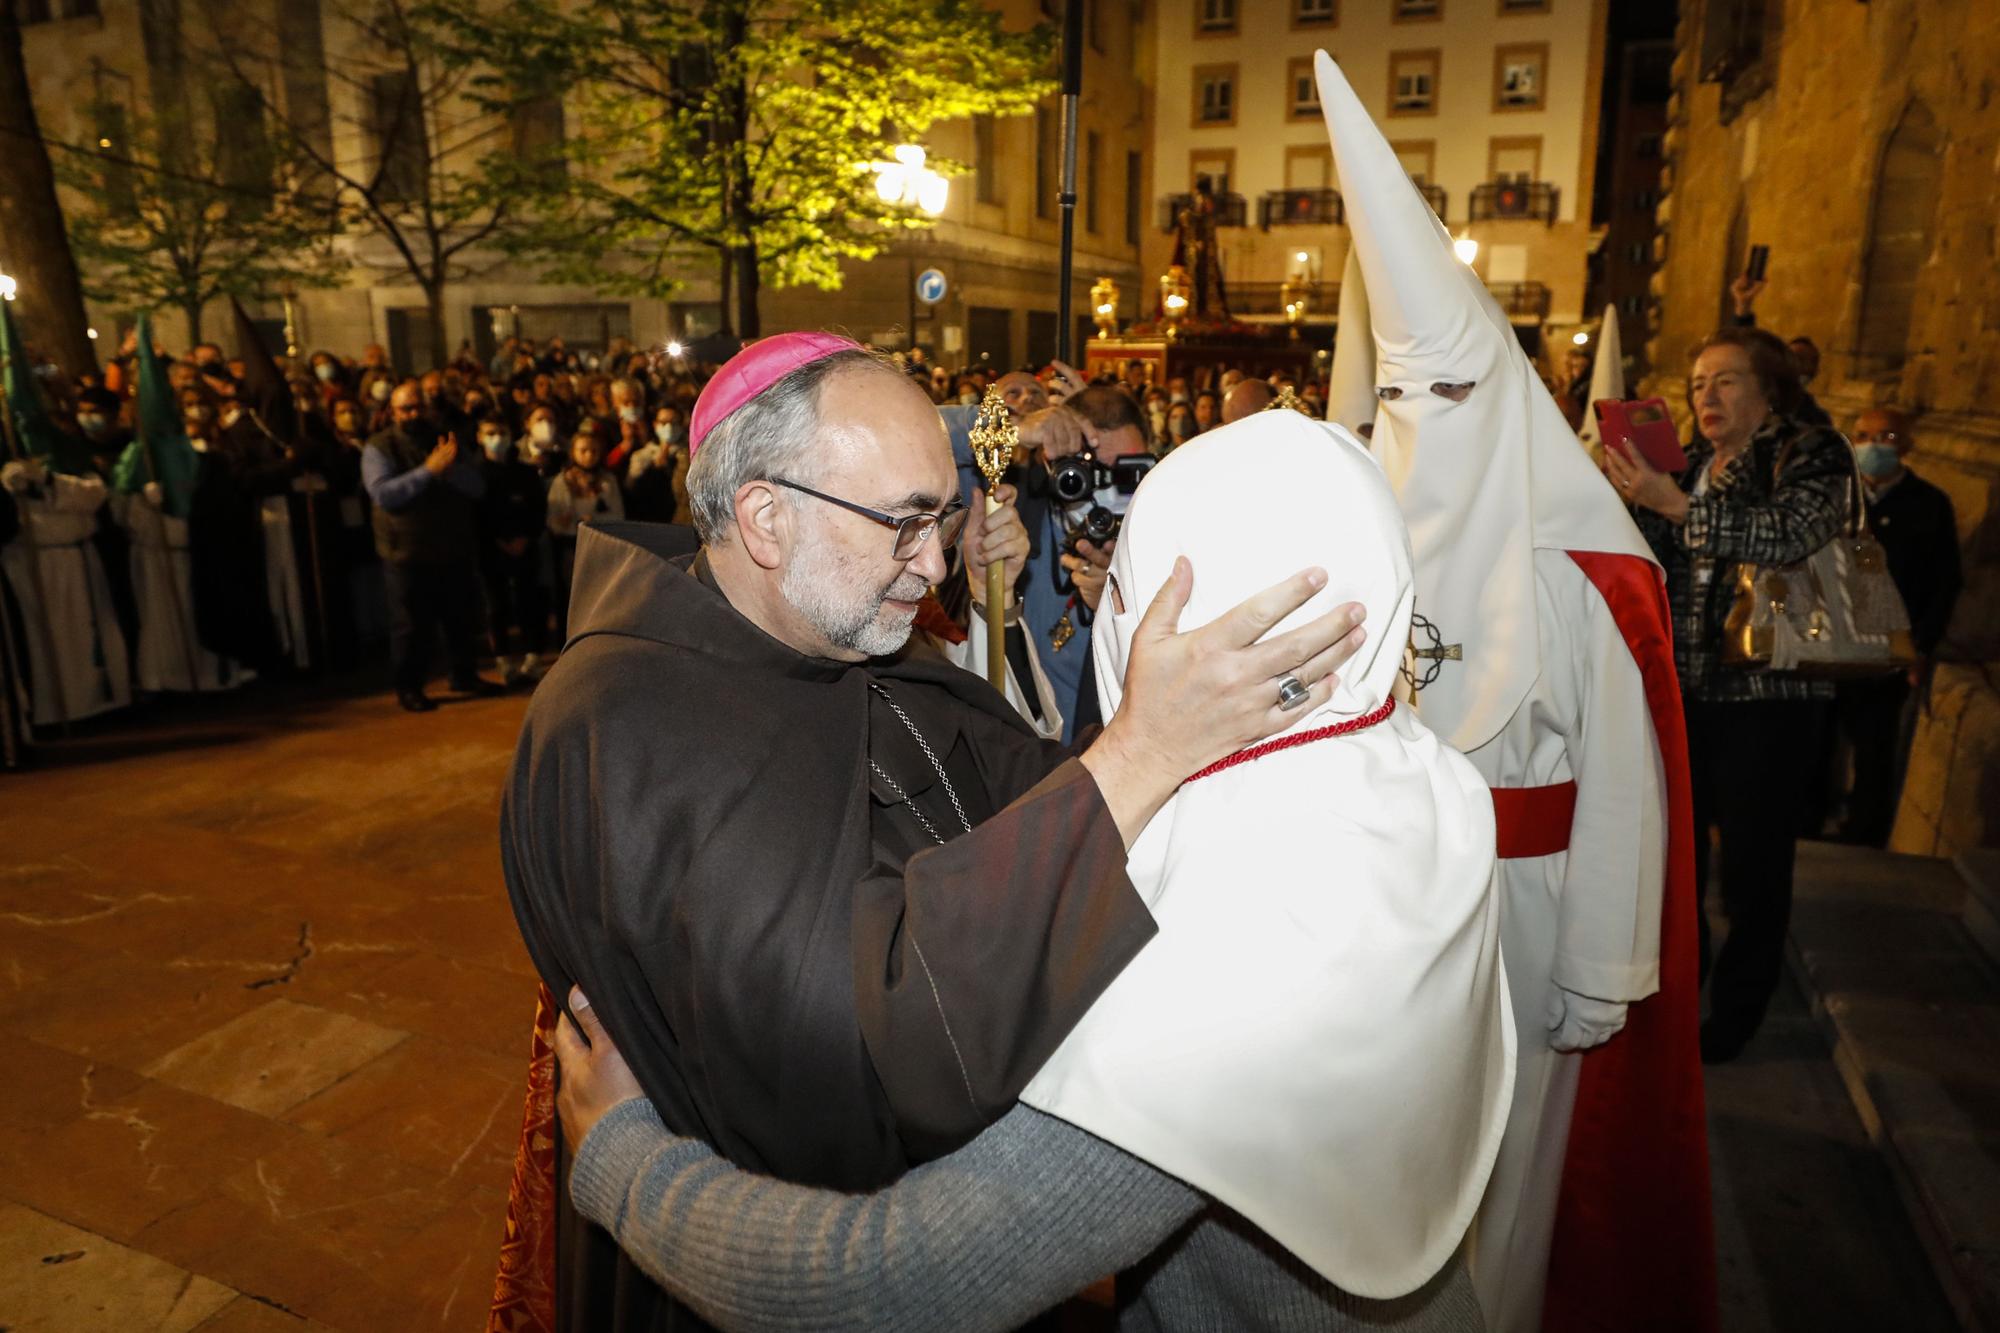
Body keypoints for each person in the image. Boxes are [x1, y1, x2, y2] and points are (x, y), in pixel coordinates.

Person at [541, 410, 1507, 1333]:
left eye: (1120, 590)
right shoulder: (1430, 785)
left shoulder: (1230, 956)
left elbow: (884, 1289)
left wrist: (626, 1161)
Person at [1317, 50, 1714, 1333]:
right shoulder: (1344, 539)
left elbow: (1625, 781)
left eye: (1446, 392)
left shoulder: (1584, 573)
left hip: (1530, 913)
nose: (1417, 421)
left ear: (1495, 392)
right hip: (1383, 910)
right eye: (1392, 398)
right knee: (1387, 1166)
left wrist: (1602, 955)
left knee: (1513, 1174)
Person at [1605, 325, 1852, 1066]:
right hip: (1686, 692)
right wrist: (1628, 498)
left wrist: (1674, 505)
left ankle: (1740, 1009)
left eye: (1726, 380)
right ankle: (1683, 993)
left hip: (1770, 693)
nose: (1705, 396)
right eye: (1697, 383)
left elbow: (1790, 532)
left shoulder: (1809, 450)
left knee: (1752, 864)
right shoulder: (1688, 464)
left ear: (1768, 386)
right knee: (1678, 858)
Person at [1830, 406, 1961, 844]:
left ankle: (1862, 833)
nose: (1873, 446)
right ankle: (1808, 820)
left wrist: (1921, 644)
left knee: (1874, 747)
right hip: (1830, 645)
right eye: (1863, 436)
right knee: (1818, 740)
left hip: (1889, 650)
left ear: (1905, 447)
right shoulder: (1837, 499)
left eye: (1885, 437)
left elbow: (1944, 581)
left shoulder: (1929, 505)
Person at [362, 382, 499, 712]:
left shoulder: (446, 440)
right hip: (405, 551)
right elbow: (384, 494)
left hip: (452, 547)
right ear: (393, 413)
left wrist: (450, 472)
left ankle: (464, 675)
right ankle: (409, 687)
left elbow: (478, 487)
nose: (413, 414)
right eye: (405, 409)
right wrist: (428, 471)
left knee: (460, 618)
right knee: (411, 625)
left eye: (417, 407)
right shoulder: (380, 447)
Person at [476, 418, 550, 686]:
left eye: (502, 431)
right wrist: (498, 540)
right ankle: (503, 659)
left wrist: (526, 537)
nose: (497, 437)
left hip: (525, 546)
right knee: (496, 605)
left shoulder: (526, 473)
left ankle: (533, 658)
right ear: (479, 437)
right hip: (491, 550)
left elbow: (539, 510)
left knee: (529, 601)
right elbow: (477, 515)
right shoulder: (476, 474)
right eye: (490, 432)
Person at [546, 430, 624, 639]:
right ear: (573, 452)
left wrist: (596, 521)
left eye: (594, 451)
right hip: (571, 545)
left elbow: (618, 514)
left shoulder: (607, 481)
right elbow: (553, 520)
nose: (589, 455)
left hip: (601, 545)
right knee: (571, 597)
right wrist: (566, 521)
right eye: (583, 450)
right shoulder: (563, 481)